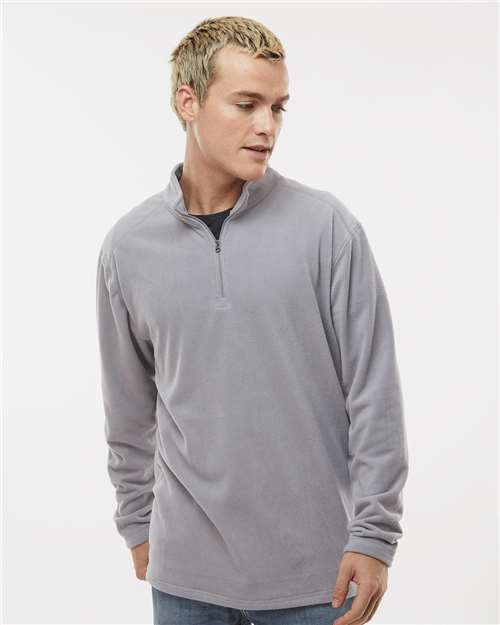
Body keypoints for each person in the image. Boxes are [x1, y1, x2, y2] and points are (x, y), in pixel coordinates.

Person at [95, 15, 409, 625]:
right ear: (188, 102)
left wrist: (374, 535)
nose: (268, 126)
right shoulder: (128, 248)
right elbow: (128, 411)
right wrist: (137, 525)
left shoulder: (327, 229)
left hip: (317, 577)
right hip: (185, 579)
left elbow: (374, 395)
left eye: (278, 107)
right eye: (246, 104)